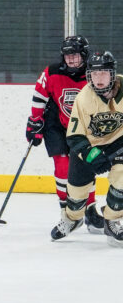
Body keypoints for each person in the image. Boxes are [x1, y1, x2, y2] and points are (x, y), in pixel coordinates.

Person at [27, 35, 103, 232]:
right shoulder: (51, 72)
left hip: (85, 127)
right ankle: (67, 213)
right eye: (67, 55)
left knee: (87, 167)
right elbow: (39, 96)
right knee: (62, 168)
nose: (70, 59)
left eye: (75, 55)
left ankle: (90, 210)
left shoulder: (95, 73)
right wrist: (34, 122)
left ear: (84, 55)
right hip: (57, 125)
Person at [54, 51, 123, 245]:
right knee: (76, 194)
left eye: (103, 73)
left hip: (119, 144)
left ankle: (112, 221)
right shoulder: (83, 99)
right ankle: (72, 219)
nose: (99, 79)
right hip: (89, 146)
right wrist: (93, 156)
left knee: (122, 180)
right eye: (94, 74)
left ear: (113, 74)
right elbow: (75, 136)